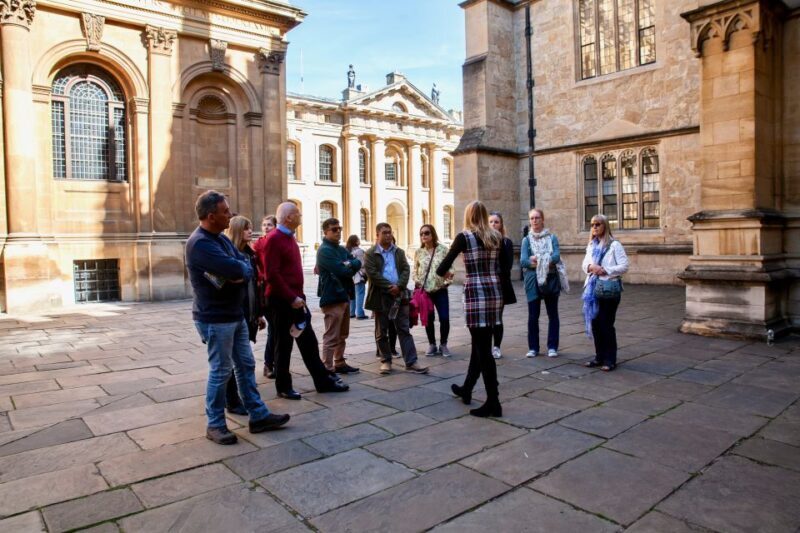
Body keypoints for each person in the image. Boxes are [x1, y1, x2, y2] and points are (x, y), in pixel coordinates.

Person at [185, 191, 289, 445]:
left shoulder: (219, 239)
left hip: (234, 314)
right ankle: (215, 424)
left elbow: (245, 265)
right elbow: (236, 268)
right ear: (211, 216)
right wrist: (237, 270)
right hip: (215, 318)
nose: (230, 215)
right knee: (221, 372)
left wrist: (237, 271)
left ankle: (258, 416)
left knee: (245, 366)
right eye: (225, 211)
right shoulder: (201, 243)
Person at [254, 201, 349, 399]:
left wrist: (299, 298)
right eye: (297, 213)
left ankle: (322, 381)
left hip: (296, 301)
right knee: (283, 345)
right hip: (282, 302)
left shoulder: (289, 238)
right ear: (288, 217)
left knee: (308, 342)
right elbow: (272, 274)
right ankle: (283, 386)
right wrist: (291, 297)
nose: (300, 216)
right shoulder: (274, 239)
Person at [437, 201, 506, 418]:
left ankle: (493, 402)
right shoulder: (496, 236)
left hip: (476, 293)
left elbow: (441, 267)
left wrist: (450, 275)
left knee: (483, 351)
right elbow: (504, 267)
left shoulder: (464, 237)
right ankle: (467, 388)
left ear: (468, 216)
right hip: (494, 291)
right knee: (480, 344)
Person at [364, 223, 429, 375]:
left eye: (389, 232)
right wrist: (389, 287)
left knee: (404, 329)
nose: (388, 235)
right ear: (377, 235)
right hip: (380, 297)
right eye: (384, 233)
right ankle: (386, 360)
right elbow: (373, 274)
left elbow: (406, 269)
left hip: (399, 296)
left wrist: (399, 286)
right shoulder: (370, 253)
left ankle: (411, 362)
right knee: (382, 331)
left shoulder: (399, 252)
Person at [222, 215, 267, 416]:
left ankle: (244, 399)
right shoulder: (228, 256)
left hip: (248, 314)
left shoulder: (250, 254)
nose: (251, 231)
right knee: (231, 362)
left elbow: (255, 288)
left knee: (243, 359)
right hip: (233, 314)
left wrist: (258, 313)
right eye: (247, 228)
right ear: (238, 230)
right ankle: (231, 400)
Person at [582, 214, 629, 372]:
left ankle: (610, 359)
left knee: (606, 324)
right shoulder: (591, 245)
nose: (594, 227)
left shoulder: (615, 245)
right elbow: (584, 264)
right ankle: (599, 356)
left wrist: (605, 270)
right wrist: (590, 267)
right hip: (593, 289)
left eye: (598, 224)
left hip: (609, 289)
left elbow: (624, 266)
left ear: (605, 226)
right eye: (592, 224)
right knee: (595, 324)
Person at [317, 218, 362, 374]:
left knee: (342, 334)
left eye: (339, 228)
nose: (338, 232)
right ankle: (327, 368)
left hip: (344, 295)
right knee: (331, 335)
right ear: (325, 232)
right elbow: (342, 271)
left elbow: (356, 263)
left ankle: (339, 362)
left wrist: (348, 264)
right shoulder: (325, 250)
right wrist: (348, 265)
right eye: (334, 229)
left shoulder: (341, 249)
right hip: (332, 296)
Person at [521, 208, 562, 358]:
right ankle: (533, 348)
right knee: (533, 316)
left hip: (550, 279)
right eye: (532, 218)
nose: (535, 221)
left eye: (537, 218)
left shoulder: (552, 238)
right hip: (532, 281)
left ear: (542, 219)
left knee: (553, 314)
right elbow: (523, 261)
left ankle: (552, 347)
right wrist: (545, 260)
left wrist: (536, 259)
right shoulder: (526, 240)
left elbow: (556, 257)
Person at [413, 224, 453, 357]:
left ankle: (443, 344)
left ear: (433, 234)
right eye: (421, 234)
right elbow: (415, 270)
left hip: (440, 289)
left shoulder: (442, 249)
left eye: (427, 233)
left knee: (444, 318)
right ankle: (432, 344)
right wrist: (417, 281)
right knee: (428, 319)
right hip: (426, 292)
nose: (424, 236)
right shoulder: (419, 252)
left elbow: (451, 268)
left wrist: (447, 282)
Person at [488, 212, 517, 359]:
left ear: (501, 224)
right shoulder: (483, 241)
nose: (493, 225)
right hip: (486, 285)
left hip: (499, 285)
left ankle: (496, 347)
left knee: (497, 317)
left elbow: (507, 266)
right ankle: (486, 346)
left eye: (496, 222)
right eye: (491, 222)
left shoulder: (506, 242)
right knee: (486, 318)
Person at [259, 215, 278, 378]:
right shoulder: (258, 244)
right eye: (264, 225)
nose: (266, 227)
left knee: (278, 331)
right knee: (273, 330)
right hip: (266, 291)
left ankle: (274, 363)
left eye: (269, 225)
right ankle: (268, 364)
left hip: (278, 291)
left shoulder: (278, 242)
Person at [345, 235, 368, 320]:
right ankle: (360, 313)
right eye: (358, 239)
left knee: (352, 295)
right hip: (359, 275)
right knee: (360, 294)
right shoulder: (360, 251)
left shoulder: (348, 251)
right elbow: (362, 264)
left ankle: (351, 312)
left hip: (351, 275)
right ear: (355, 241)